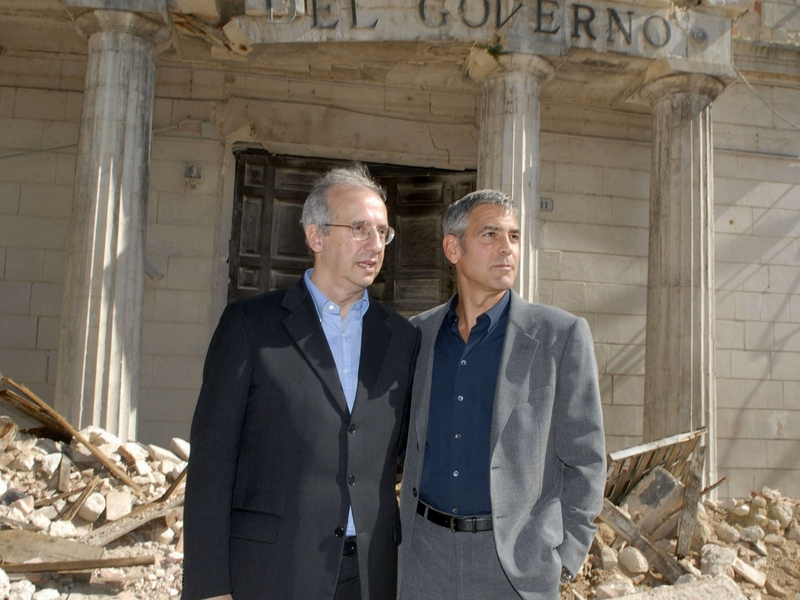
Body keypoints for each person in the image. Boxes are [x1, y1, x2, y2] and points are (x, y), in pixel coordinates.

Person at [182, 165, 419, 600]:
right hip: (272, 571)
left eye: (382, 233)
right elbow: (212, 466)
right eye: (360, 228)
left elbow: (406, 450)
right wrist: (208, 587)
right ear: (316, 236)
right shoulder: (250, 327)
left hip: (371, 575)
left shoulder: (401, 338)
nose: (374, 244)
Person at [398, 190, 606, 600]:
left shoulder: (559, 336)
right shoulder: (417, 336)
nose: (507, 248)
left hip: (514, 566)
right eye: (490, 234)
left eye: (514, 236)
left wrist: (565, 558)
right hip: (423, 559)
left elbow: (587, 458)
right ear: (453, 247)